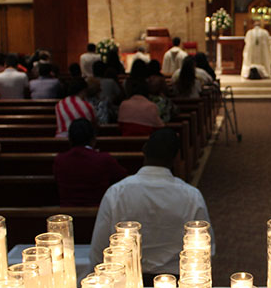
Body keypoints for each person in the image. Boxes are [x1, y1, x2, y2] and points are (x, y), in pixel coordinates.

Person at [89, 128, 211, 278]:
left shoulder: (117, 192)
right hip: (178, 281)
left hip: (127, 280)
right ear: (175, 157)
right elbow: (206, 249)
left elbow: (98, 248)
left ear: (144, 150)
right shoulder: (191, 196)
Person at [53, 118, 128, 207]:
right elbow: (123, 176)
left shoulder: (60, 160)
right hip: (99, 213)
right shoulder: (104, 159)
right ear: (93, 139)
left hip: (67, 215)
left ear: (70, 139)